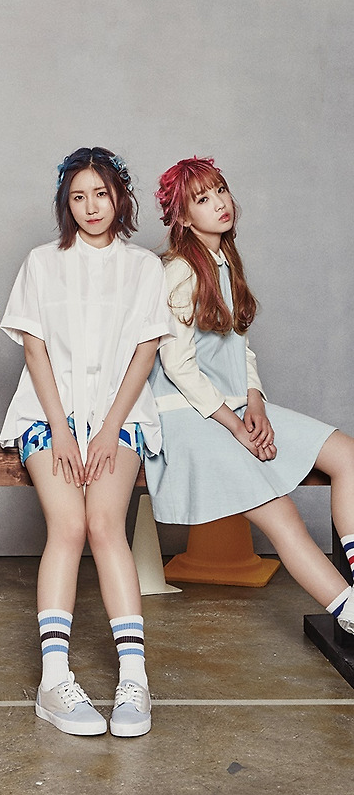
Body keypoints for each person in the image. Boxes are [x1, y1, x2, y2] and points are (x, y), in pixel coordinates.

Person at [0, 147, 173, 738]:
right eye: (78, 196)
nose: (91, 206)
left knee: (104, 524)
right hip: (47, 415)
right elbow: (35, 349)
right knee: (68, 526)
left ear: (119, 197)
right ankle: (54, 680)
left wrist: (104, 429)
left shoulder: (144, 267)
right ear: (65, 203)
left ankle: (134, 680)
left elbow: (145, 352)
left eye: (101, 194)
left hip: (118, 418)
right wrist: (62, 429)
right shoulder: (42, 262)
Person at [147, 156, 354, 634]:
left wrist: (255, 401)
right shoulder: (179, 271)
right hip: (187, 415)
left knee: (346, 455)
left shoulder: (225, 262)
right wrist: (237, 425)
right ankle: (347, 611)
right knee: (281, 512)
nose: (219, 203)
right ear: (182, 217)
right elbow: (178, 365)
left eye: (220, 190)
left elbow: (239, 346)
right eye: (202, 199)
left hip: (234, 405)